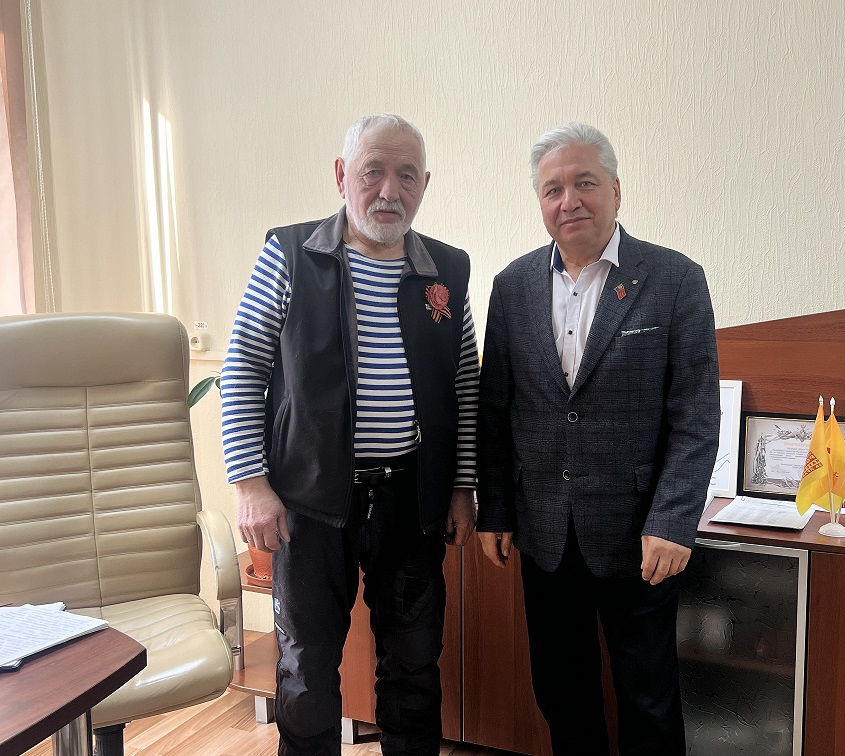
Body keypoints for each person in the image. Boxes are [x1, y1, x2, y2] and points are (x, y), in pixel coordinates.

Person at [220, 113, 479, 756]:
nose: (389, 191)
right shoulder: (290, 254)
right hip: (309, 502)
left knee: (414, 665)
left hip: (411, 500)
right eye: (373, 171)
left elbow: (464, 384)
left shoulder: (447, 271)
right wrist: (250, 483)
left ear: (425, 185)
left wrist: (462, 486)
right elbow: (244, 365)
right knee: (306, 671)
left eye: (406, 175)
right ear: (342, 175)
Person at [476, 122, 720, 756]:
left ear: (615, 189)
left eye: (584, 183)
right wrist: (494, 510)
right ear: (540, 201)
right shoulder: (512, 286)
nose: (569, 201)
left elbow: (696, 415)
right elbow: (496, 411)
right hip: (544, 535)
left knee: (649, 699)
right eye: (552, 189)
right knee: (562, 694)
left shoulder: (674, 279)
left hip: (640, 536)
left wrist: (673, 520)